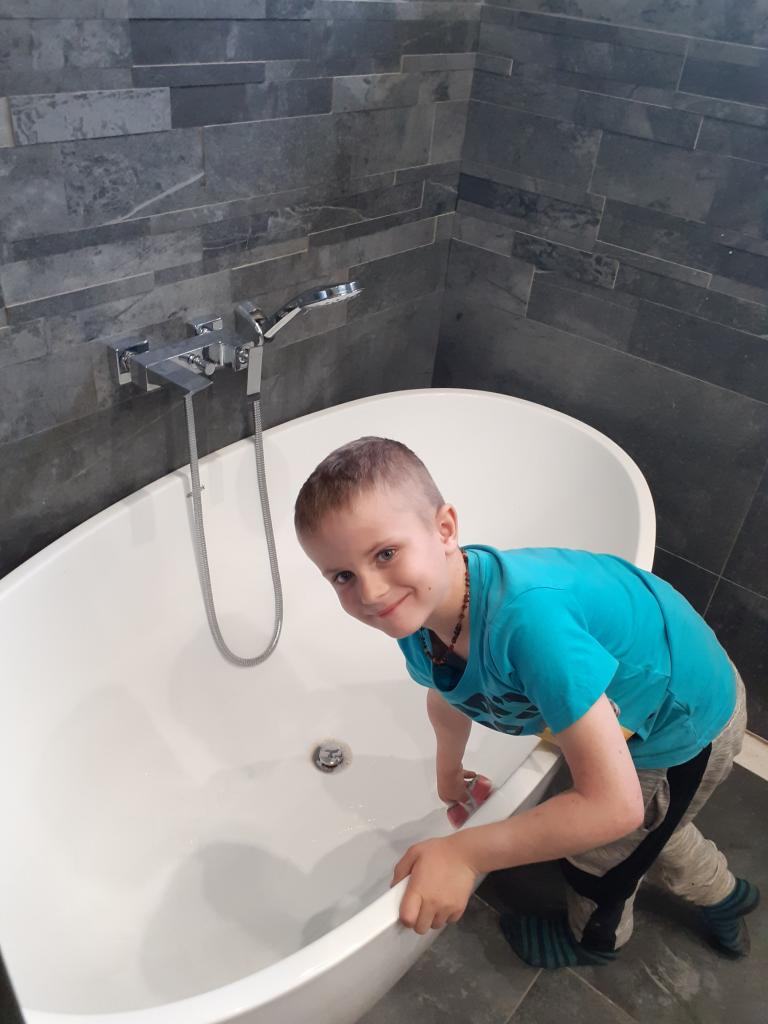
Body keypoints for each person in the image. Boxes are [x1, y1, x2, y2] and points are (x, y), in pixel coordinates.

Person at [294, 435, 759, 968]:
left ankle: (594, 943)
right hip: (630, 701)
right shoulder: (417, 613)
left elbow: (615, 806)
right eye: (343, 576)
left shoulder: (531, 626)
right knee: (654, 829)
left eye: (385, 554)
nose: (371, 592)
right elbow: (445, 694)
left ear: (444, 530)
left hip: (682, 718)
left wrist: (464, 855)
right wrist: (449, 769)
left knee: (601, 859)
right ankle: (724, 893)